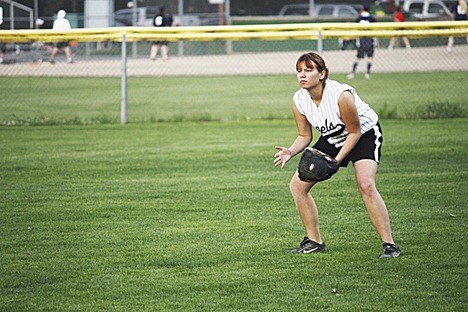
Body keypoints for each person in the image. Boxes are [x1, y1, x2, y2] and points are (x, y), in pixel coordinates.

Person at [274, 52, 400, 259]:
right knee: (297, 186)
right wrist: (290, 150)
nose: (302, 75)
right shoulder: (299, 99)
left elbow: (354, 131)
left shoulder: (340, 95)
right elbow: (304, 135)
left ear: (322, 73)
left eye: (308, 70)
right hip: (333, 138)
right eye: (299, 71)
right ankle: (315, 242)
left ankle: (390, 245)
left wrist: (336, 160)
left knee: (365, 184)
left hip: (364, 135)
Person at [347, 4, 376, 80]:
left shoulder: (359, 18)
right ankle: (367, 73)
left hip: (361, 40)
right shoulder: (372, 18)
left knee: (358, 58)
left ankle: (352, 73)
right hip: (370, 39)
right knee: (369, 57)